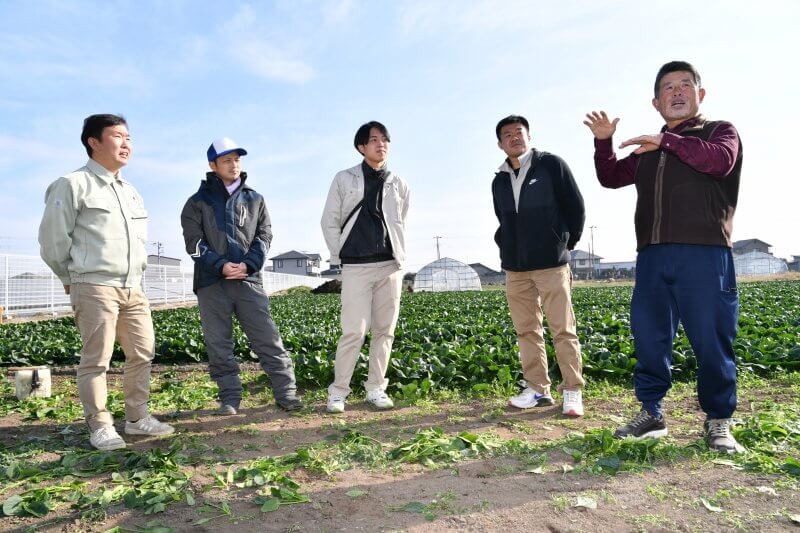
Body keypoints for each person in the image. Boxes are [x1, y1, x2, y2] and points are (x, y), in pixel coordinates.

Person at [584, 60, 744, 453]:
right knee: (650, 337)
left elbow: (719, 162)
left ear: (699, 95)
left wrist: (667, 141)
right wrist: (604, 142)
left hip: (704, 253)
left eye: (684, 85)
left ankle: (719, 420)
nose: (676, 92)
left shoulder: (718, 133)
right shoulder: (648, 150)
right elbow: (611, 177)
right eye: (667, 88)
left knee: (711, 338)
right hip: (653, 256)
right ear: (656, 103)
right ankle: (651, 413)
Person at [38, 114, 174, 450]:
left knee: (142, 352)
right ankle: (100, 425)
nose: (126, 143)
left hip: (132, 286)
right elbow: (53, 240)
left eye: (129, 137)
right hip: (95, 284)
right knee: (97, 359)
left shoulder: (130, 191)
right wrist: (70, 277)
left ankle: (137, 418)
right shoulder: (72, 184)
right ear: (93, 142)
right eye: (117, 136)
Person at [180, 138, 303, 415]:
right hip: (212, 283)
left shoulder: (255, 199)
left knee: (267, 338)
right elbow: (194, 244)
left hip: (249, 281)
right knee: (218, 343)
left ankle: (287, 394)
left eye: (237, 159)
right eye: (226, 160)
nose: (233, 165)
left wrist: (249, 265)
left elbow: (264, 236)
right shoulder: (196, 203)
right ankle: (230, 398)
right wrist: (221, 265)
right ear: (213, 165)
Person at [492, 115, 586, 417]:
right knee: (526, 331)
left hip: (550, 264)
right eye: (507, 135)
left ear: (529, 136)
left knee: (563, 329)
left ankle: (572, 390)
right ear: (500, 144)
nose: (514, 138)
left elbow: (576, 207)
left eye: (519, 132)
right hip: (516, 269)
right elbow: (503, 219)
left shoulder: (551, 165)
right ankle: (537, 389)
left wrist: (564, 244)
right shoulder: (499, 179)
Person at [320, 121, 410, 413]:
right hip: (356, 266)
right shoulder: (344, 178)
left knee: (385, 331)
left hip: (389, 266)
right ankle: (338, 392)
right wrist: (341, 253)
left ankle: (375, 389)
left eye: (385, 139)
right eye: (373, 140)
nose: (380, 144)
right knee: (354, 332)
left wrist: (397, 253)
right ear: (361, 146)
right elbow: (329, 220)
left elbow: (401, 220)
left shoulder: (398, 182)